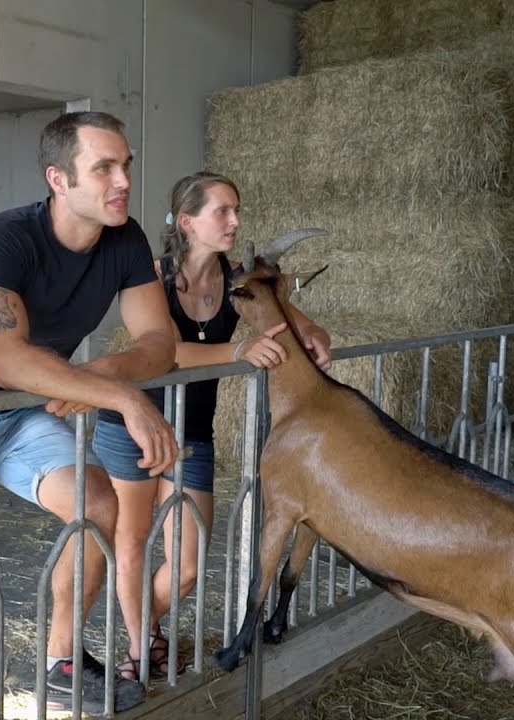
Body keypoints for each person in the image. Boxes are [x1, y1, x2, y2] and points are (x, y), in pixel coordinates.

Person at [0, 111, 180, 714]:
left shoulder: (126, 238)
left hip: (23, 414)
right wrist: (124, 397)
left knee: (97, 505)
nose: (122, 180)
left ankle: (61, 659)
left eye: (125, 165)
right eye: (103, 167)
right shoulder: (5, 238)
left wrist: (100, 376)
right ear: (59, 179)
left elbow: (159, 342)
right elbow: (5, 361)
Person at [92, 172, 332, 681]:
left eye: (236, 209)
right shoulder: (149, 277)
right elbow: (165, 351)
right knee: (132, 540)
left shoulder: (238, 280)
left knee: (187, 564)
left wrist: (310, 333)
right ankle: (140, 650)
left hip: (192, 431)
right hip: (132, 419)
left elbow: (286, 314)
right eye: (222, 211)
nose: (235, 221)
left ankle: (142, 625)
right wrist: (238, 350)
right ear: (186, 221)